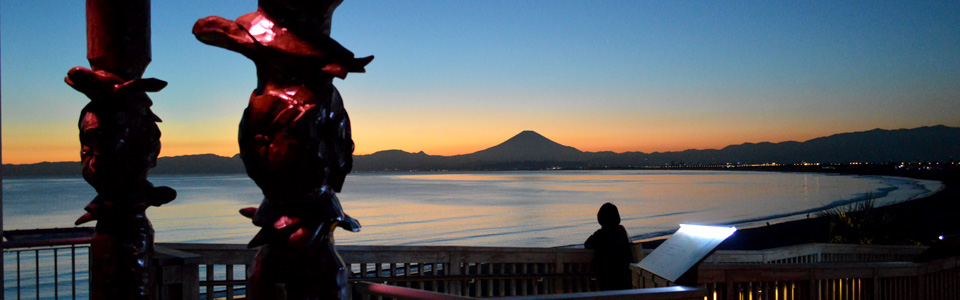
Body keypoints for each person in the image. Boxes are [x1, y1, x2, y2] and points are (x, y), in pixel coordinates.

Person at [584, 202, 634, 290]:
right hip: (625, 277)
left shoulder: (601, 235)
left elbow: (587, 244)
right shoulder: (621, 232)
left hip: (607, 277)